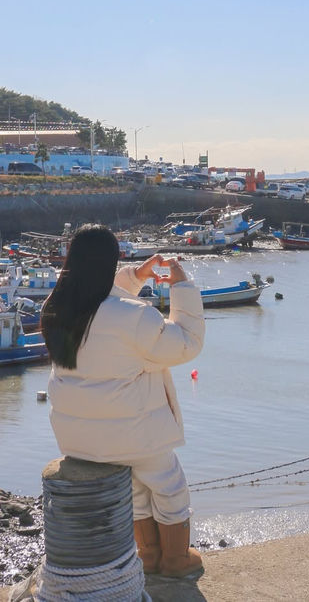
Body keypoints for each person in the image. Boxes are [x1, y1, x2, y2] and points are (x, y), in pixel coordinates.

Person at [41, 225, 205, 578]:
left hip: (80, 439)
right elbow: (187, 343)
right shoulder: (135, 317)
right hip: (135, 436)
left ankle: (147, 555)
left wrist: (135, 277)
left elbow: (105, 307)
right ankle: (176, 560)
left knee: (134, 490)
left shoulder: (57, 309)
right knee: (169, 485)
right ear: (110, 262)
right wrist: (182, 286)